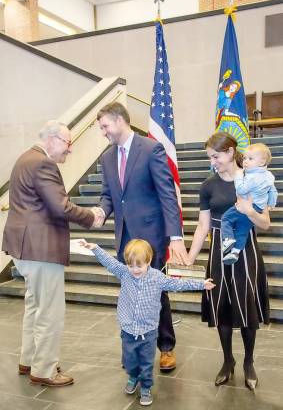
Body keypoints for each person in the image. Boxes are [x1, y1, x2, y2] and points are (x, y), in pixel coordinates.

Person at [2, 120, 100, 387]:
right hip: (40, 249)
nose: (69, 150)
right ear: (53, 140)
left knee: (35, 306)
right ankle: (44, 369)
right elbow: (61, 207)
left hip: (24, 247)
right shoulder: (43, 163)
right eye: (68, 144)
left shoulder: (25, 158)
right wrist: (91, 217)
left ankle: (29, 358)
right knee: (49, 311)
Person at [93, 102, 189, 372]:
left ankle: (166, 348)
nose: (103, 132)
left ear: (120, 120)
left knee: (155, 293)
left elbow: (167, 194)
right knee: (130, 295)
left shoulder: (150, 149)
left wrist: (175, 236)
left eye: (105, 126)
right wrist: (101, 210)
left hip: (151, 237)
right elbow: (108, 194)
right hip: (125, 239)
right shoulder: (107, 158)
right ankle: (135, 344)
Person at [80, 238, 215, 406]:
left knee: (146, 362)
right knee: (129, 360)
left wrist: (201, 284)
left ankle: (145, 387)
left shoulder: (157, 277)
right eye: (131, 266)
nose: (135, 270)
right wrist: (95, 247)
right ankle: (133, 376)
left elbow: (178, 283)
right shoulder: (124, 273)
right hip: (128, 328)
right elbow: (110, 262)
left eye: (139, 266)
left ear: (149, 261)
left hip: (149, 331)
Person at [187, 132, 270, 391]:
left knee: (247, 305)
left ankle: (248, 362)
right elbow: (202, 227)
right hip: (218, 250)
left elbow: (265, 223)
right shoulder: (208, 186)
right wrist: (189, 258)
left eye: (216, 156)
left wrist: (248, 211)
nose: (213, 162)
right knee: (221, 306)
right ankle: (227, 360)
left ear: (231, 152)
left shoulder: (252, 180)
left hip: (246, 248)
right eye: (210, 157)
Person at [222, 143, 278, 264]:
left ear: (262, 163)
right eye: (245, 158)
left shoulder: (253, 177)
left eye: (250, 159)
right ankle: (235, 252)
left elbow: (242, 190)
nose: (246, 161)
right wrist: (271, 203)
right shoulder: (268, 175)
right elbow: (272, 190)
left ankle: (228, 239)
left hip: (246, 206)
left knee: (226, 218)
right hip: (258, 208)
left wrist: (238, 177)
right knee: (242, 230)